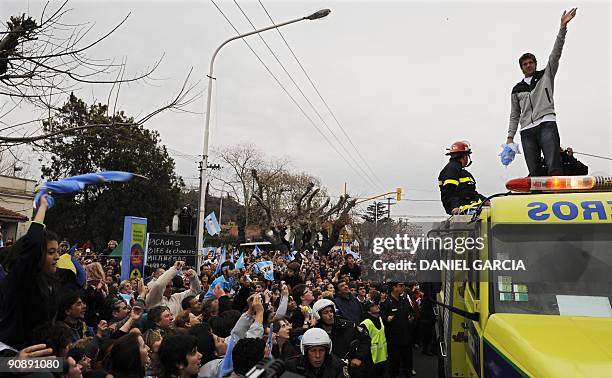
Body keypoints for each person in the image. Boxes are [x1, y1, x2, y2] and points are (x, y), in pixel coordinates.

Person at [506, 8, 578, 176]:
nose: (528, 65)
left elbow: (556, 54)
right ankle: (538, 199)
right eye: (525, 64)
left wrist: (562, 28)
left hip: (546, 123)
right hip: (526, 131)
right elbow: (514, 115)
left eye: (531, 62)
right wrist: (510, 137)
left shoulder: (546, 75)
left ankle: (557, 196)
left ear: (535, 64)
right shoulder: (517, 90)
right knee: (534, 171)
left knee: (554, 164)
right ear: (521, 68)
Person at [0, 194, 60, 349]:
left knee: (71, 366)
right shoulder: (20, 278)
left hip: (38, 353)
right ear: (38, 255)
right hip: (11, 359)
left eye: (58, 251)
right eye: (51, 252)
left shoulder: (49, 282)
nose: (57, 257)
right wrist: (42, 208)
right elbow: (33, 243)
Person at [312, 298, 370, 378]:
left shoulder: (348, 326)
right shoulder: (315, 333)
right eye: (326, 312)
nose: (330, 314)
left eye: (331, 311)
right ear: (318, 316)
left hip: (352, 370)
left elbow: (365, 339)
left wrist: (359, 357)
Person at [438, 141, 487, 215]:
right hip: (464, 211)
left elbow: (470, 193)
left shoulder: (461, 172)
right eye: (467, 156)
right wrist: (454, 207)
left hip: (473, 209)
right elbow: (449, 191)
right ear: (464, 156)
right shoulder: (451, 170)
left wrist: (485, 200)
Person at [381, 282, 416, 377]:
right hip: (394, 340)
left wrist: (412, 317)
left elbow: (412, 312)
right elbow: (382, 318)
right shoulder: (386, 302)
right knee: (394, 365)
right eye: (400, 286)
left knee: (408, 363)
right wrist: (386, 319)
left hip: (407, 338)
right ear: (394, 288)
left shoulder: (405, 299)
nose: (403, 287)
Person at [361, 300, 387, 377]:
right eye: (372, 306)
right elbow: (362, 342)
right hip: (371, 359)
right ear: (369, 311)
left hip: (383, 356)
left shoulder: (380, 319)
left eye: (376, 304)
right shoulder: (365, 323)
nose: (376, 306)